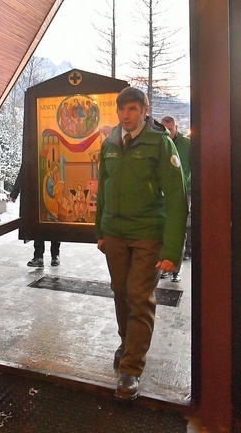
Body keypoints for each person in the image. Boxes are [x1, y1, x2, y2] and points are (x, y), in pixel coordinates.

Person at [95, 87, 187, 401]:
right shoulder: (109, 142)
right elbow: (103, 188)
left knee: (139, 295)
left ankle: (132, 368)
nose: (126, 115)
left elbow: (177, 199)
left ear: (144, 110)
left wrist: (173, 249)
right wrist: (100, 230)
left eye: (132, 109)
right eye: (122, 110)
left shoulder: (160, 143)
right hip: (115, 233)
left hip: (148, 233)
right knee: (120, 290)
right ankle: (127, 342)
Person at [161, 115, 192, 281]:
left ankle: (175, 269)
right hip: (163, 193)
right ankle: (164, 265)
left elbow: (195, 165)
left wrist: (189, 184)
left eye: (170, 130)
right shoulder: (161, 143)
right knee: (165, 228)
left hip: (183, 191)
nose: (168, 133)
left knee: (179, 228)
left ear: (176, 128)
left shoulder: (186, 144)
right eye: (165, 129)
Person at [9, 167, 61, 267]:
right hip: (37, 197)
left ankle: (55, 255)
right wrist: (15, 192)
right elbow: (23, 174)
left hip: (52, 199)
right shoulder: (31, 156)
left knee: (54, 225)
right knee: (38, 227)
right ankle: (38, 256)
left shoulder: (56, 171)